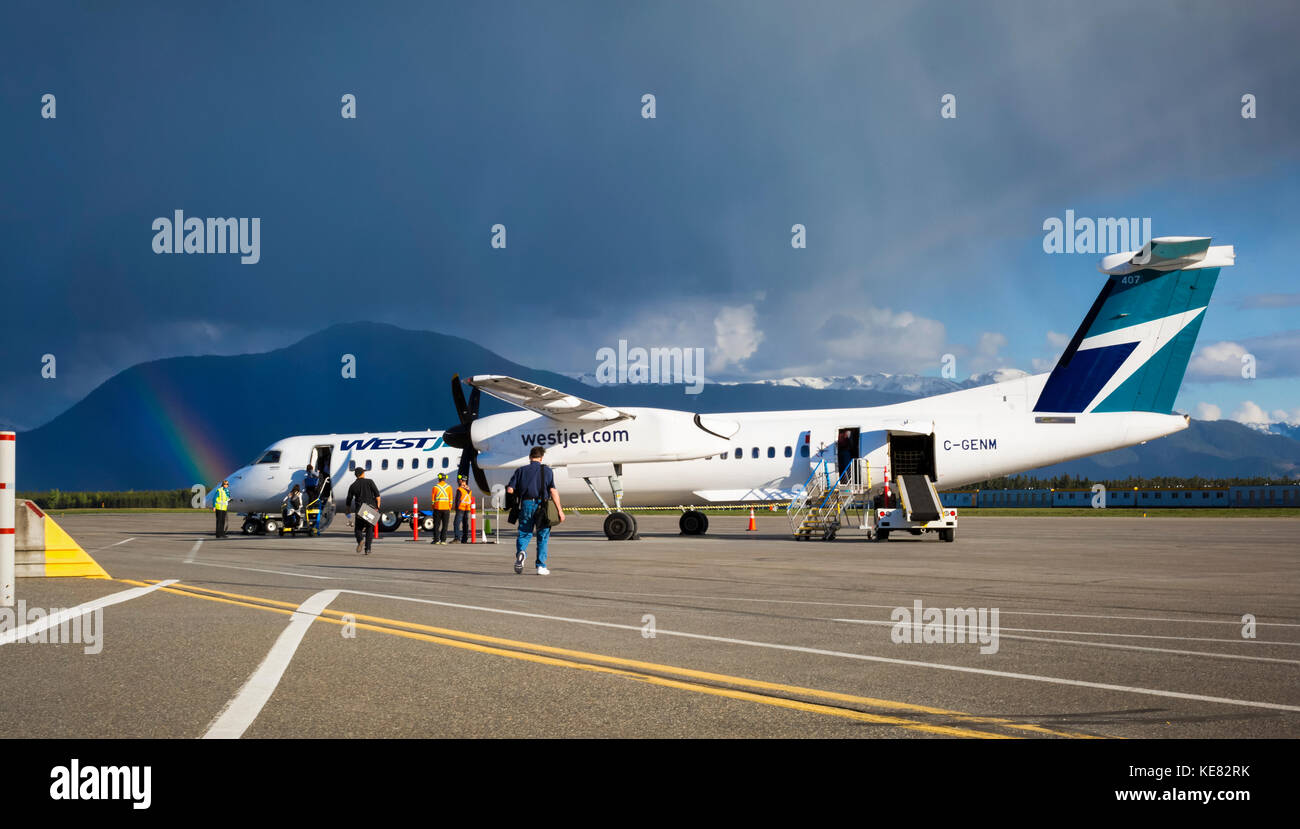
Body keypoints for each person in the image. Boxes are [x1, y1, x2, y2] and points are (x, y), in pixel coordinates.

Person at [505, 446, 564, 575]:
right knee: (542, 536)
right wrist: (560, 510)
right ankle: (541, 566)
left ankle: (521, 553)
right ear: (541, 458)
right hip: (542, 506)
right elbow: (553, 491)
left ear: (530, 457)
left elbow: (510, 489)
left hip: (526, 504)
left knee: (524, 533)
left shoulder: (520, 471)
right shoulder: (547, 471)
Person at [345, 468, 381, 555]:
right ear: (362, 474)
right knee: (369, 528)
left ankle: (360, 540)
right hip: (370, 508)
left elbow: (348, 500)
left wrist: (348, 511)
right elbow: (377, 495)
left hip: (360, 510)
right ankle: (367, 549)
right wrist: (378, 507)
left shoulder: (353, 485)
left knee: (358, 529)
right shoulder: (370, 482)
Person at [429, 472, 453, 545]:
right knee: (445, 525)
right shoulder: (449, 487)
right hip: (446, 509)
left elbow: (433, 500)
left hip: (437, 508)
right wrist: (449, 508)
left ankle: (436, 540)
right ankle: (443, 540)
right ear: (445, 479)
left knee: (436, 525)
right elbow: (451, 499)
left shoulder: (435, 487)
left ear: (439, 478)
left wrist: (433, 507)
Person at [453, 474, 474, 543]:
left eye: (459, 480)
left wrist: (456, 508)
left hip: (460, 508)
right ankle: (465, 539)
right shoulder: (469, 489)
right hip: (467, 508)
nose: (458, 481)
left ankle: (457, 538)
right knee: (465, 524)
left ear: (461, 480)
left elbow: (458, 500)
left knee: (456, 523)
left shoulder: (460, 489)